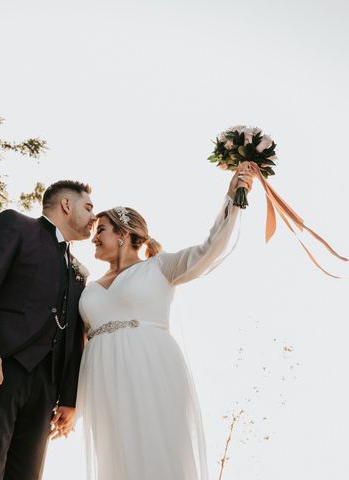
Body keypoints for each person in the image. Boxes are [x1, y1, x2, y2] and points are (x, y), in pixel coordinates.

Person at [75, 167, 255, 480]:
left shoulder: (160, 267)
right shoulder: (87, 287)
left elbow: (209, 249)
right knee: (116, 458)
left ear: (123, 234)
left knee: (156, 451)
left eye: (101, 230)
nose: (94, 238)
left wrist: (233, 198)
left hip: (151, 369)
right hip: (103, 381)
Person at [0, 180, 97, 480]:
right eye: (88, 207)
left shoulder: (79, 270)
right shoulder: (15, 225)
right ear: (66, 205)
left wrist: (69, 398)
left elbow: (74, 336)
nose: (94, 217)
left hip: (46, 387)